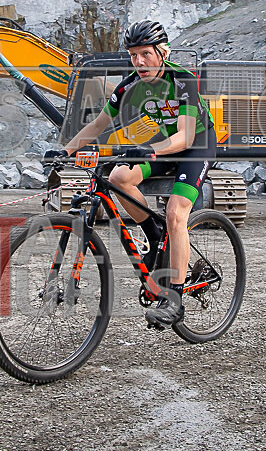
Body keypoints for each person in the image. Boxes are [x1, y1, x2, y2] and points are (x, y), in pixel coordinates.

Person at [43, 20, 217, 329]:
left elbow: (185, 138)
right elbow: (97, 125)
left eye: (145, 54)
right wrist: (65, 152)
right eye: (133, 55)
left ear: (162, 53)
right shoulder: (130, 85)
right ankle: (153, 231)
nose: (139, 62)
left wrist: (151, 151)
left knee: (177, 213)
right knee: (119, 177)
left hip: (196, 146)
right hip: (164, 145)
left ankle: (174, 300)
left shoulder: (183, 81)